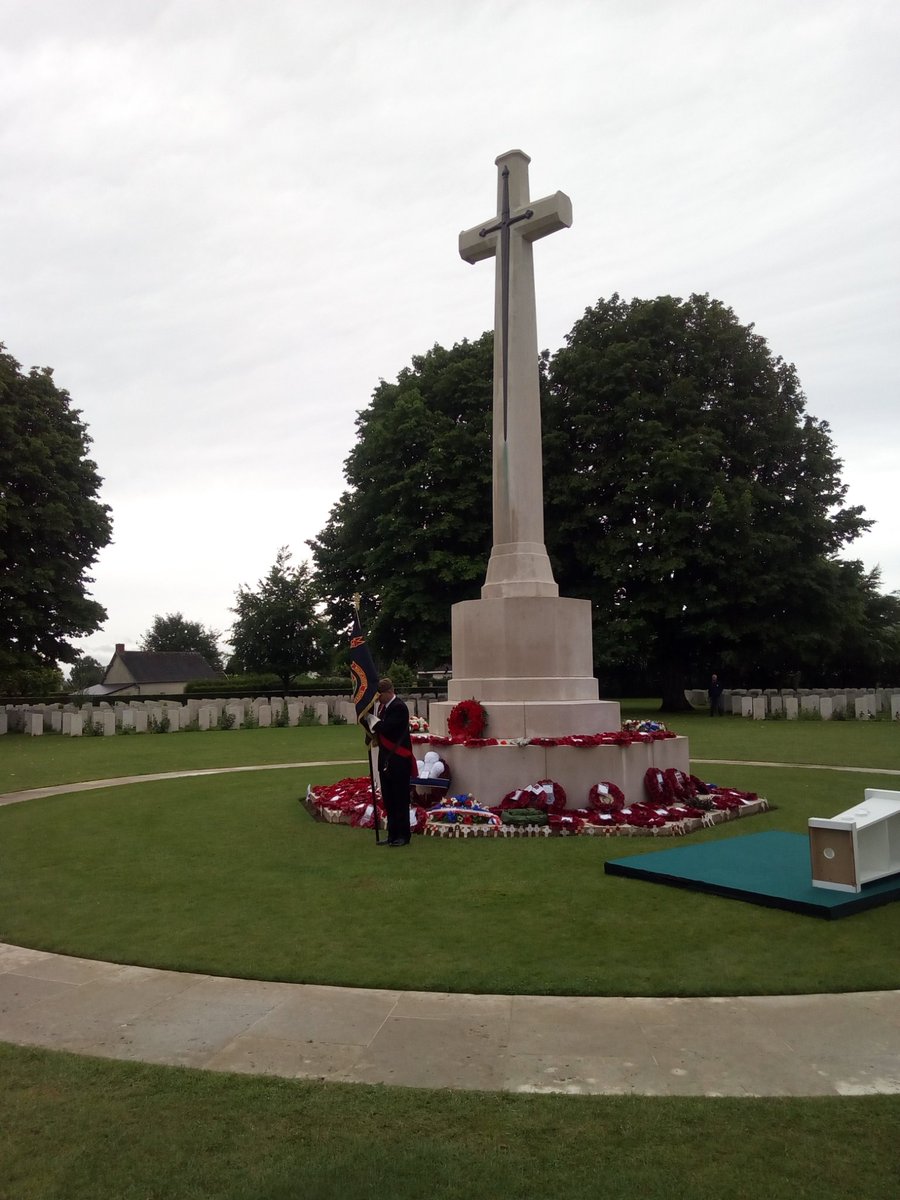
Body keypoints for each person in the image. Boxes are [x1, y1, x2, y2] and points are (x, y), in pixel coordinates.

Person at [365, 677, 414, 847]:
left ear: (389, 692)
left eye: (380, 695)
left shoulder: (399, 707)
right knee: (389, 799)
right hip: (386, 759)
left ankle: (403, 835)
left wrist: (371, 720)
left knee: (400, 799)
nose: (378, 699)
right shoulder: (383, 708)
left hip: (399, 760)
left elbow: (387, 729)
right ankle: (392, 834)